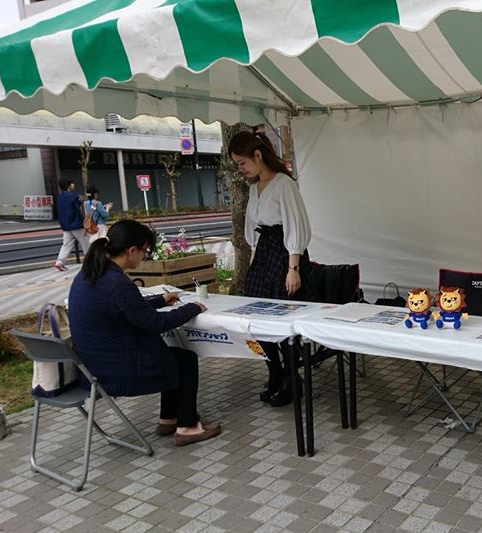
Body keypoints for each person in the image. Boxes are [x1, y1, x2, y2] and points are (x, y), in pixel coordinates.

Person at [67, 219, 221, 446]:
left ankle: (169, 419)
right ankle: (187, 427)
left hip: (92, 366)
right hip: (115, 371)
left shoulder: (88, 275)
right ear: (132, 250)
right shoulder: (117, 283)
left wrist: (160, 300)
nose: (144, 256)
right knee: (185, 359)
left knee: (172, 356)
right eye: (145, 251)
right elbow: (156, 324)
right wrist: (192, 308)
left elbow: (128, 309)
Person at [229, 130, 313, 407]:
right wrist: (253, 262)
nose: (241, 169)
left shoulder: (284, 184)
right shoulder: (254, 188)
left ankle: (291, 378)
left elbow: (295, 225)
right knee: (256, 318)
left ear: (257, 155)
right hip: (264, 256)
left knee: (283, 321)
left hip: (285, 256)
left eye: (242, 163)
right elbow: (253, 231)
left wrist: (294, 268)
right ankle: (275, 372)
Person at [54, 178, 90, 271]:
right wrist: (84, 197)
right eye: (72, 184)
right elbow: (79, 201)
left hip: (65, 225)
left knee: (66, 244)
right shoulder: (72, 195)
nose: (73, 185)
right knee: (85, 241)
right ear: (68, 185)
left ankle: (60, 262)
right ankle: (90, 261)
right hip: (76, 224)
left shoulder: (59, 197)